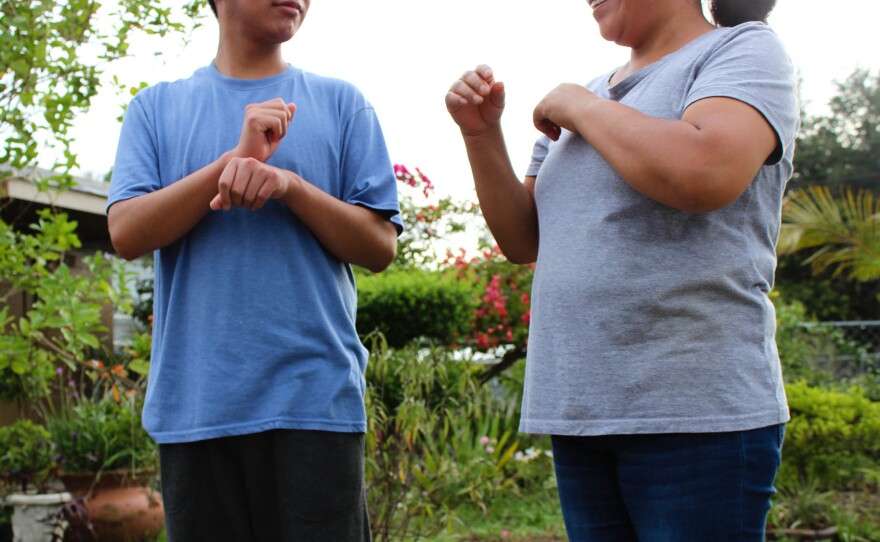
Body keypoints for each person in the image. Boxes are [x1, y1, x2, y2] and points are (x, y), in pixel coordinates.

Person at [446, 0, 798, 540]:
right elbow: (522, 239)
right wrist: (481, 135)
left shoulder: (742, 48)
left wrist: (582, 107)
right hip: (583, 411)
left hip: (696, 414)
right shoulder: (585, 95)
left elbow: (705, 171)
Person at [107, 0, 401, 539]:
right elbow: (126, 233)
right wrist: (231, 162)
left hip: (315, 404)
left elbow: (380, 246)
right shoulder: (155, 108)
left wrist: (290, 186)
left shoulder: (343, 104)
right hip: (196, 409)